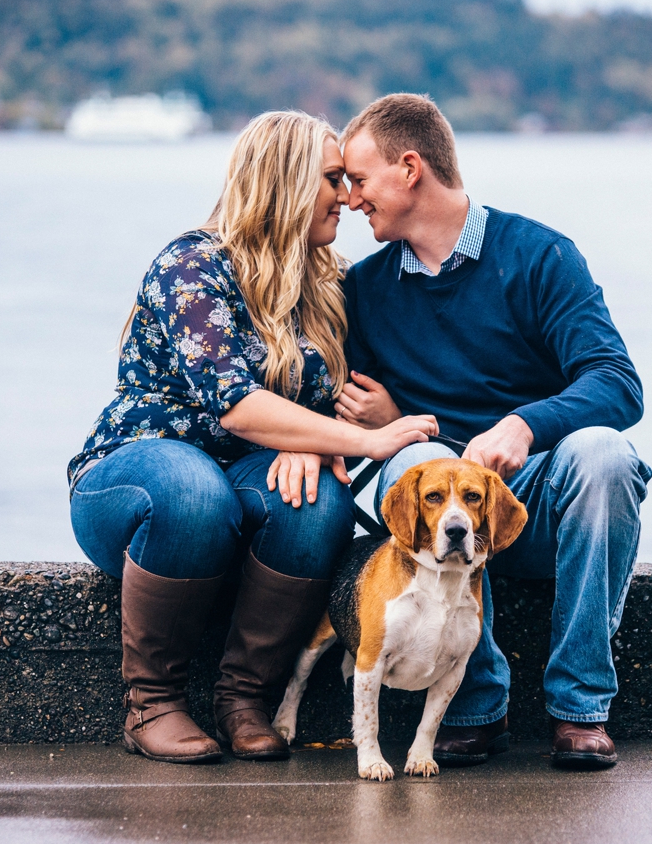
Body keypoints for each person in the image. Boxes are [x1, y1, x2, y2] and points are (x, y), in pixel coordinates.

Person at [67, 111, 438, 765]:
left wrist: (316, 436)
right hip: (134, 484)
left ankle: (244, 700)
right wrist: (362, 442)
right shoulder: (192, 266)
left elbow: (343, 400)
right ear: (286, 182)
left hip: (242, 490)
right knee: (192, 489)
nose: (348, 197)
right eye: (332, 179)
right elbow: (236, 404)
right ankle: (152, 703)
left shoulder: (330, 282)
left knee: (316, 501)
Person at [335, 94, 651, 770]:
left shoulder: (540, 256)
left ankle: (579, 708)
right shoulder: (363, 290)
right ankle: (474, 707)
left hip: (528, 501)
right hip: (435, 509)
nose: (351, 199)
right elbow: (333, 403)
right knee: (412, 460)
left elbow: (618, 382)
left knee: (605, 453)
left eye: (359, 180)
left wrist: (525, 424)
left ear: (410, 169)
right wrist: (392, 422)